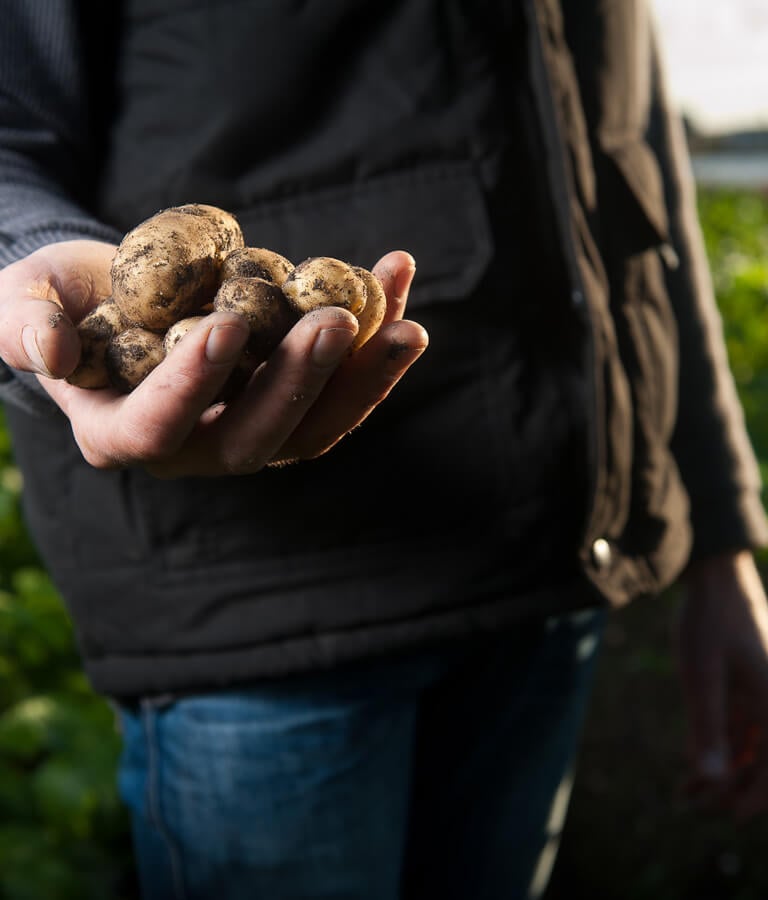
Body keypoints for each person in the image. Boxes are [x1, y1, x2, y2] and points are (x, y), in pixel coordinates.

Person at [1, 1, 767, 897]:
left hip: (545, 569)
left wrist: (717, 526)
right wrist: (34, 266)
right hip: (262, 605)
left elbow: (627, 150)